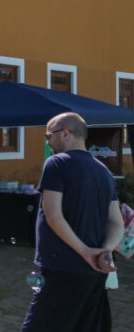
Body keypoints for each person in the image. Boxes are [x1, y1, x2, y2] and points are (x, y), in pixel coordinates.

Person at [22, 113, 124, 331]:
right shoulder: (104, 171)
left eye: (49, 135)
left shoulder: (56, 163)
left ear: (65, 133)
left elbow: (53, 216)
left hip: (63, 266)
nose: (48, 141)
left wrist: (87, 251)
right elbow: (116, 222)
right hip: (94, 272)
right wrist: (103, 251)